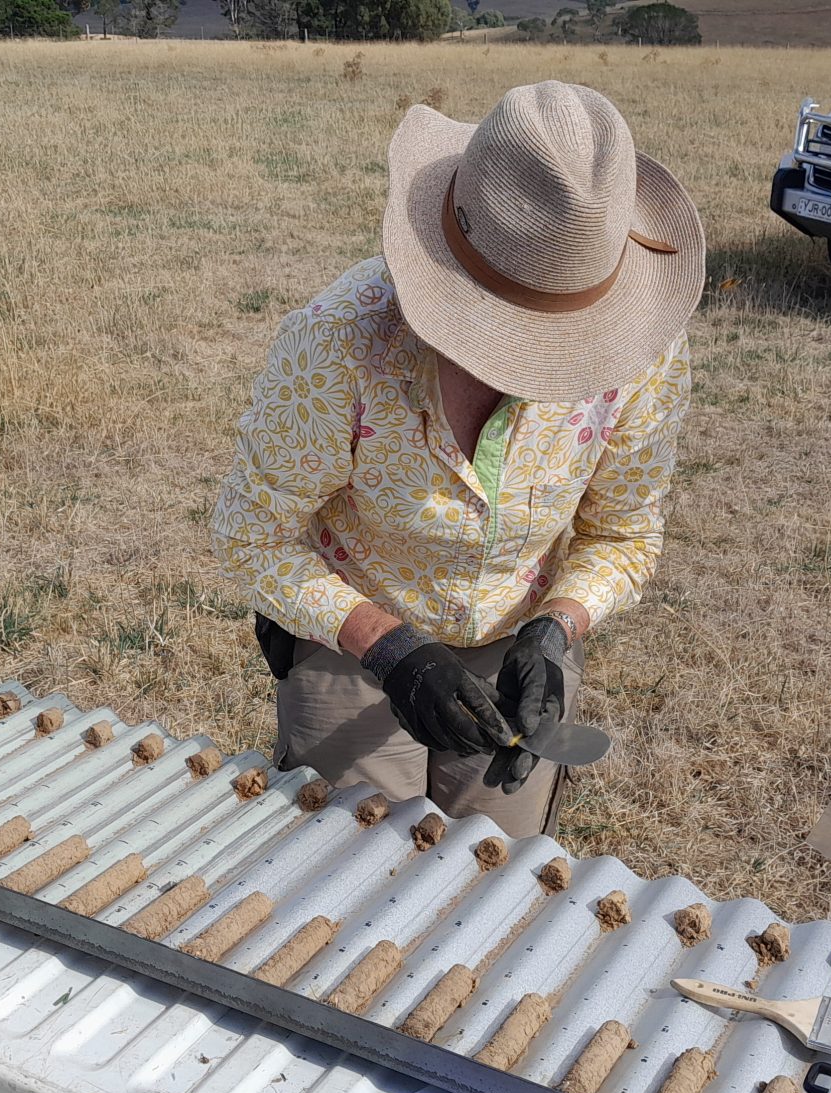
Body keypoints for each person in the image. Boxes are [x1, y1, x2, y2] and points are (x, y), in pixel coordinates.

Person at [212, 81, 704, 838]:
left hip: (512, 655)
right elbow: (251, 535)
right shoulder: (340, 342)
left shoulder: (644, 358)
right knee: (353, 879)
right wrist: (387, 646)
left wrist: (553, 629)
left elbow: (622, 536)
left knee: (490, 883)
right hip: (352, 644)